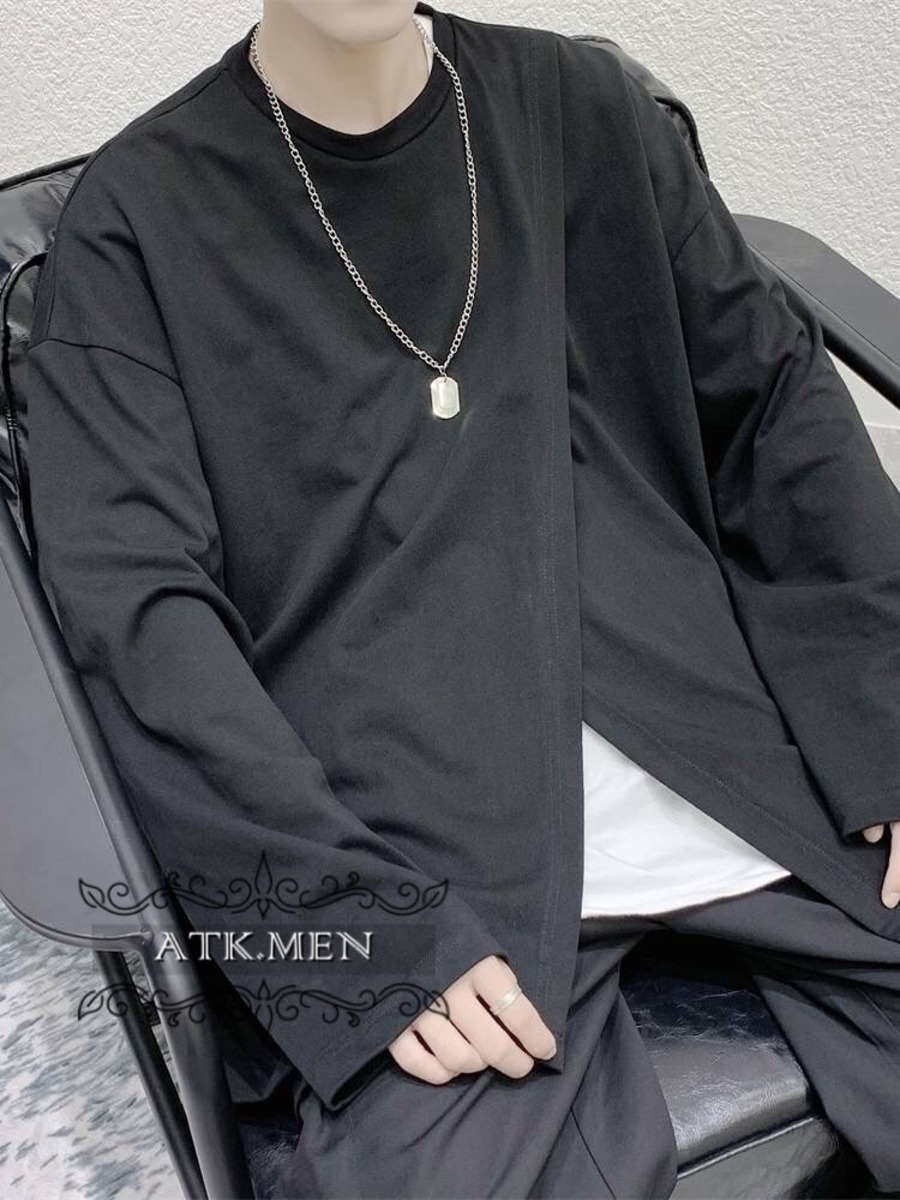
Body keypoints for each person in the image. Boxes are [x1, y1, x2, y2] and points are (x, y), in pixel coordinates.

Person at [23, 1, 900, 1196]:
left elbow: (776, 412)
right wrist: (352, 928)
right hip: (411, 843)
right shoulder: (133, 227)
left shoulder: (583, 112)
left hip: (731, 762)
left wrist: (882, 717)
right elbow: (137, 617)